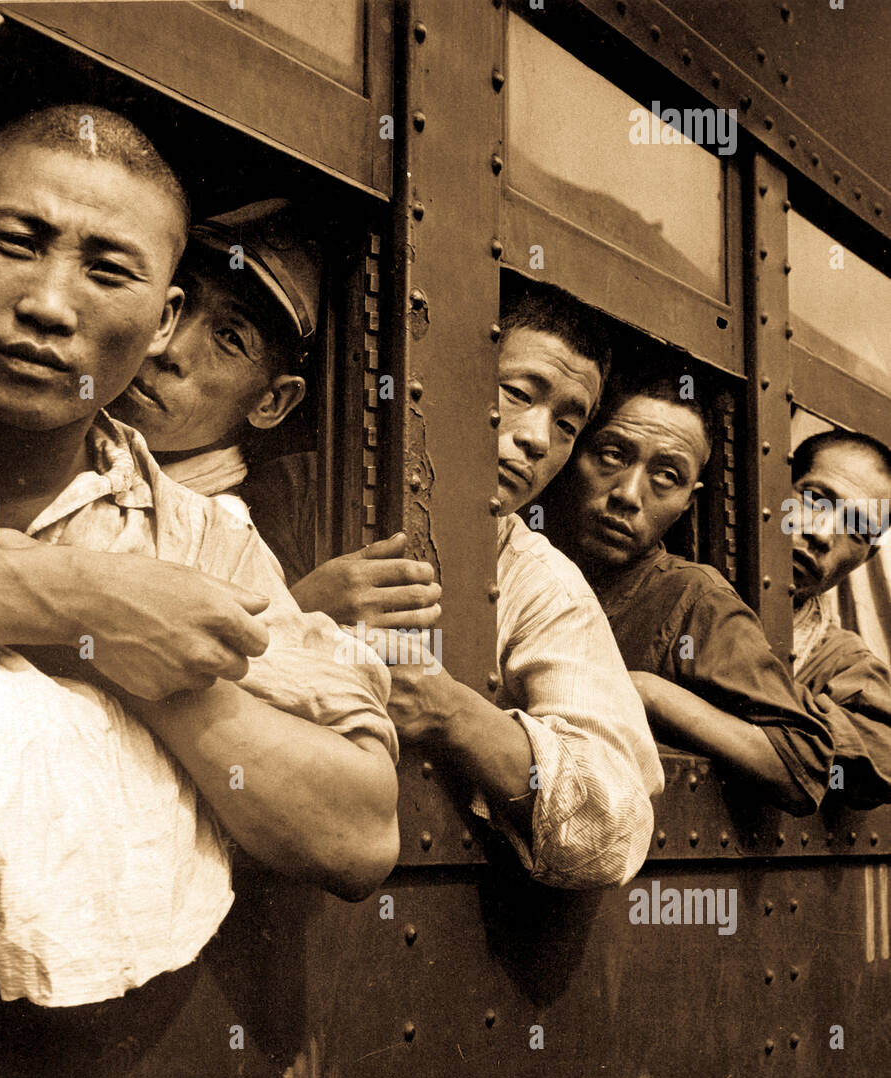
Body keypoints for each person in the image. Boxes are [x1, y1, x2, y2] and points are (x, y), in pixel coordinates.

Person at [0, 103, 399, 902]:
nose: (50, 305)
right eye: (16, 243)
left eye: (108, 271)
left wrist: (111, 655)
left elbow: (357, 834)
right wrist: (68, 597)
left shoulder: (204, 543)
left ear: (162, 322)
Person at [294, 283, 665, 888]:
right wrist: (296, 615)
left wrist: (449, 711)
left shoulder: (543, 581)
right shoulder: (291, 489)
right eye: (518, 394)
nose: (538, 439)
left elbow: (616, 831)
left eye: (568, 425)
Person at [543, 373, 834, 814]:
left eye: (666, 476)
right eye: (611, 455)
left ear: (687, 502)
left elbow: (804, 763)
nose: (627, 494)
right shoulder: (518, 553)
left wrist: (645, 691)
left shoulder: (694, 596)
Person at [109, 198, 320, 584]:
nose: (170, 349)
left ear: (272, 402)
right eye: (177, 303)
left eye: (230, 337)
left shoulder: (229, 550)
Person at [786, 428, 891, 806]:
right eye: (814, 499)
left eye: (858, 529)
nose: (823, 534)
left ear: (867, 557)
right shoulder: (676, 586)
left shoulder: (845, 663)